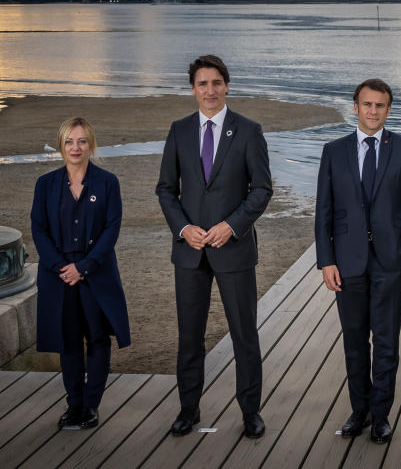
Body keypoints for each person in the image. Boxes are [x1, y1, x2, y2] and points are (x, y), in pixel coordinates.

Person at [156, 55, 272, 439]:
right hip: (189, 252)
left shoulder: (248, 130)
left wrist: (232, 226)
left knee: (244, 335)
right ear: (193, 88)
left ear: (227, 86)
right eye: (202, 84)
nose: (210, 90)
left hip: (233, 249)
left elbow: (261, 190)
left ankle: (251, 412)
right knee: (190, 336)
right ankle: (188, 409)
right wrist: (184, 228)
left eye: (216, 83)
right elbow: (166, 190)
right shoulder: (179, 130)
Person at [315, 78, 401, 444]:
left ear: (388, 110)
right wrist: (326, 261)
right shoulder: (334, 151)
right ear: (356, 107)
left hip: (391, 262)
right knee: (355, 341)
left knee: (387, 341)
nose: (373, 111)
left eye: (380, 105)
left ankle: (381, 415)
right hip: (348, 262)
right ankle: (358, 411)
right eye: (367, 104)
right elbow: (324, 213)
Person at [31, 117, 130, 430]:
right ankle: (73, 405)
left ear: (91, 144)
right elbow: (38, 228)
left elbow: (111, 229)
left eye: (82, 141)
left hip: (95, 272)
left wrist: (83, 267)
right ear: (61, 145)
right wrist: (61, 267)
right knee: (69, 340)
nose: (76, 148)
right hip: (58, 274)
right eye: (70, 142)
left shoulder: (107, 182)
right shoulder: (45, 185)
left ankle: (90, 406)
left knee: (98, 339)